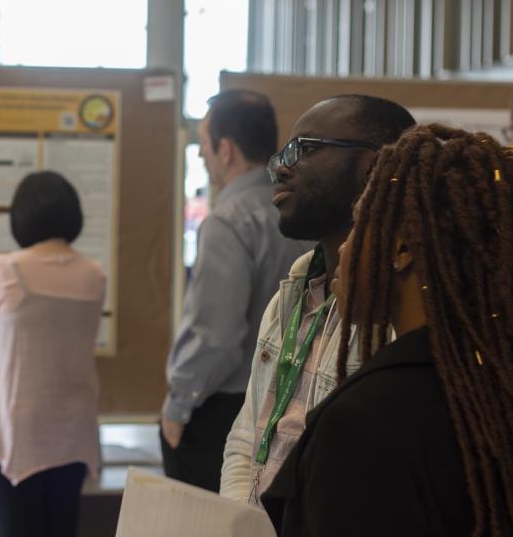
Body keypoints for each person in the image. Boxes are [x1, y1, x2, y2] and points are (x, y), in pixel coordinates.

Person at [262, 124, 513, 536]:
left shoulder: (363, 423)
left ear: (401, 250)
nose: (344, 247)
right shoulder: (488, 387)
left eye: (360, 222)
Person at [219, 94, 416, 505]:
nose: (281, 168)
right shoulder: (289, 298)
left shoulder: (403, 310)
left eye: (304, 149)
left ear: (373, 167)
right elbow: (248, 438)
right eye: (282, 154)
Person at [160, 90, 311, 492]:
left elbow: (217, 337)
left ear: (225, 149)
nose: (200, 155)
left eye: (204, 143)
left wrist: (177, 408)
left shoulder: (228, 222)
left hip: (225, 414)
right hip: (296, 406)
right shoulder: (302, 213)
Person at [0, 171, 105, 537]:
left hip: (13, 428)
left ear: (21, 216)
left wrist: (4, 367)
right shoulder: (95, 274)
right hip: (73, 427)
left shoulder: (4, 268)